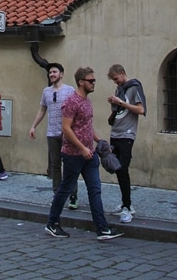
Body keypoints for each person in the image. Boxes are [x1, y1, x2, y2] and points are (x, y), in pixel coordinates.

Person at [45, 67, 122, 241]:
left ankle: (102, 229)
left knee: (95, 190)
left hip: (90, 154)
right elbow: (66, 128)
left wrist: (100, 141)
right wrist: (81, 148)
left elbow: (86, 127)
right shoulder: (72, 101)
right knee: (65, 189)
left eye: (94, 80)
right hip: (73, 155)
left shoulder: (87, 102)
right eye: (90, 80)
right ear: (81, 82)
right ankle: (52, 223)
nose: (94, 83)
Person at [29, 63, 79, 208]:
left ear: (61, 74)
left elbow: (76, 111)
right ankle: (57, 195)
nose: (51, 74)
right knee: (55, 166)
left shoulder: (70, 90)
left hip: (66, 133)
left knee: (69, 165)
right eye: (50, 72)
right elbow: (42, 110)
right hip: (52, 133)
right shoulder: (46, 91)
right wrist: (33, 126)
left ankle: (73, 196)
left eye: (54, 72)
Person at [106, 63, 146, 223]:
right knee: (117, 168)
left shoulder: (134, 86)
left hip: (127, 134)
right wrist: (114, 103)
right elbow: (119, 110)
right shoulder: (119, 89)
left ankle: (128, 207)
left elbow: (140, 110)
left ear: (123, 73)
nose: (116, 82)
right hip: (115, 132)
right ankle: (125, 203)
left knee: (123, 168)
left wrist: (121, 103)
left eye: (116, 79)